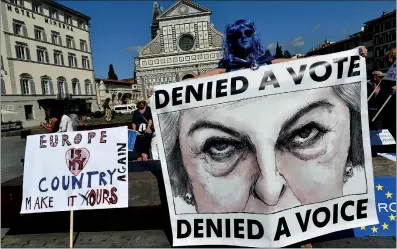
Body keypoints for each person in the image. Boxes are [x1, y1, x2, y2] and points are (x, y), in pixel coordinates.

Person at [195, 19, 367, 79]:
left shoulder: (266, 62)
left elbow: (301, 62)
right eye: (237, 35)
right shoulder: (226, 67)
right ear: (231, 41)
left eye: (248, 32)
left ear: (253, 36)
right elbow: (196, 80)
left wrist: (351, 55)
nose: (244, 36)